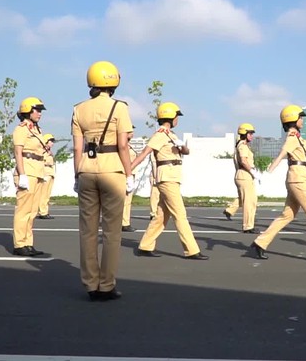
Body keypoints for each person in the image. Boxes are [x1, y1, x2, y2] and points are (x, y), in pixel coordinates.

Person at [72, 61, 134, 301]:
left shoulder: (78, 109)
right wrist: (129, 175)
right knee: (111, 231)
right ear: (113, 81)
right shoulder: (119, 108)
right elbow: (123, 145)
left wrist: (77, 174)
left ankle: (90, 284)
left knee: (87, 230)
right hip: (112, 170)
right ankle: (106, 284)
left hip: (86, 170)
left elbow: (77, 148)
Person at [250, 105, 306, 262]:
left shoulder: (297, 137)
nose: (302, 120)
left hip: (298, 177)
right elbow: (282, 153)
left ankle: (259, 243)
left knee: (287, 215)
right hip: (297, 178)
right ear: (293, 120)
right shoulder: (291, 139)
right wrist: (269, 172)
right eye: (300, 118)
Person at [133, 102, 208, 260]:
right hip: (166, 177)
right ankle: (192, 250)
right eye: (176, 117)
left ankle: (145, 246)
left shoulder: (171, 135)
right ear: (170, 117)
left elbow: (186, 152)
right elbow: (145, 153)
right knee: (180, 214)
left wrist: (182, 147)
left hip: (173, 176)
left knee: (161, 215)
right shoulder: (160, 135)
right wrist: (128, 169)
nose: (177, 120)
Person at [12, 97, 48, 257]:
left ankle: (28, 242)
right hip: (27, 170)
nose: (40, 113)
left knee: (33, 211)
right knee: (23, 210)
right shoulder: (22, 129)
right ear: (28, 111)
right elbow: (18, 152)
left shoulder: (36, 130)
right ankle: (19, 244)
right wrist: (22, 174)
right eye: (37, 110)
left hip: (38, 171)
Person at [229, 123, 259, 233]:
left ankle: (249, 224)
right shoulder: (242, 146)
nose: (251, 135)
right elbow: (243, 160)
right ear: (244, 134)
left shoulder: (242, 145)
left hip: (245, 175)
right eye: (250, 133)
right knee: (248, 202)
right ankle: (248, 226)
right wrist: (251, 170)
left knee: (251, 201)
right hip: (244, 175)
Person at [122, 129, 139, 233]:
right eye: (130, 131)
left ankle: (124, 221)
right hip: (126, 174)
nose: (132, 134)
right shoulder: (123, 146)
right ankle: (124, 223)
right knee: (125, 200)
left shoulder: (129, 145)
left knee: (127, 200)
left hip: (131, 174)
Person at [36, 133, 56, 220]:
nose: (52, 143)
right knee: (43, 194)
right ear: (46, 141)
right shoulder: (42, 151)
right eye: (51, 141)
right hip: (45, 173)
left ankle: (45, 211)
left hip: (50, 173)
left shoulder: (49, 152)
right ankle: (42, 212)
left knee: (47, 195)